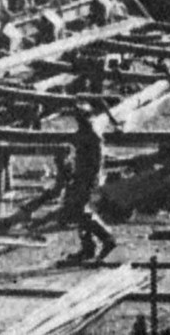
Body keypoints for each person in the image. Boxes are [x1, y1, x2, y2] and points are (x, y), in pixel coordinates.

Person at [62, 109, 115, 263]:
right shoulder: (83, 133)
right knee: (77, 213)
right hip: (80, 178)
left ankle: (107, 238)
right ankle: (88, 248)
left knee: (82, 212)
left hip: (88, 179)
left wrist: (89, 182)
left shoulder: (92, 136)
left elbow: (96, 164)